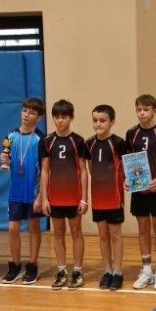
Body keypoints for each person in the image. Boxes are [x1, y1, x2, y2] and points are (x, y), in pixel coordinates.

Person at [40, 99, 90, 290]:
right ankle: (61, 271)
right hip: (55, 197)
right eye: (56, 117)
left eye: (64, 117)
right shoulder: (47, 141)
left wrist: (84, 198)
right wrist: (44, 198)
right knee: (58, 233)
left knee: (76, 232)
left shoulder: (78, 141)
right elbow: (45, 171)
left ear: (71, 118)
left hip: (74, 197)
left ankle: (77, 271)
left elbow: (83, 171)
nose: (60, 120)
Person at [126, 94, 156, 290]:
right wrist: (127, 179)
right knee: (143, 229)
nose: (142, 113)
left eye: (146, 109)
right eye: (139, 109)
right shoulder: (131, 133)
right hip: (139, 190)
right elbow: (129, 161)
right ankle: (146, 269)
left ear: (154, 110)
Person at [1, 98, 45, 285]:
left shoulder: (41, 139)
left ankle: (33, 265)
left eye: (32, 112)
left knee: (34, 227)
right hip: (16, 192)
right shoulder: (10, 136)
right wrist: (4, 160)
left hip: (33, 192)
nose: (27, 115)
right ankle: (15, 265)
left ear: (39, 117)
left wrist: (41, 195)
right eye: (25, 110)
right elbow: (7, 160)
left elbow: (45, 169)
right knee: (13, 229)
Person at [86, 104, 129, 291]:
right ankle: (107, 270)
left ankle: (118, 272)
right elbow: (90, 168)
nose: (98, 124)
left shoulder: (119, 143)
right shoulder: (89, 143)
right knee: (103, 235)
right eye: (95, 120)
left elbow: (126, 167)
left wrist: (125, 181)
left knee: (115, 235)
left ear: (111, 122)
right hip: (98, 197)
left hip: (114, 197)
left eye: (102, 120)